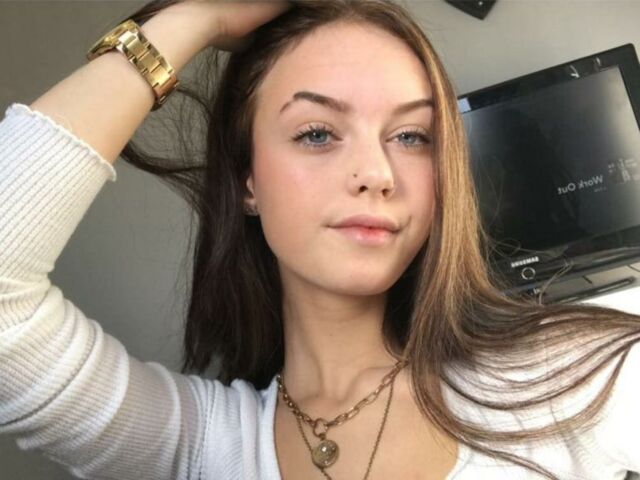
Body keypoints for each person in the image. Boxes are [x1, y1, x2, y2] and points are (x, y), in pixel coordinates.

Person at [1, 1, 639, 479]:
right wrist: (196, 15)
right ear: (248, 180)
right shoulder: (198, 446)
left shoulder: (587, 376)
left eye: (412, 137)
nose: (377, 174)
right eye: (316, 133)